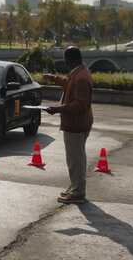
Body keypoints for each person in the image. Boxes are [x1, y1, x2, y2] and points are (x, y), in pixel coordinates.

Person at [44, 46, 94, 204]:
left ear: (71, 60)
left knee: (75, 159)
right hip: (77, 124)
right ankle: (75, 187)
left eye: (66, 59)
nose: (65, 62)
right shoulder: (78, 73)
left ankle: (78, 192)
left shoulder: (81, 78)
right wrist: (53, 78)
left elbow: (80, 104)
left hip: (76, 125)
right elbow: (68, 84)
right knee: (76, 158)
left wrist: (58, 109)